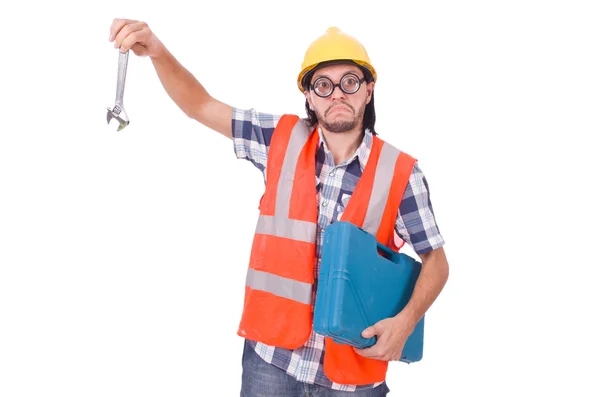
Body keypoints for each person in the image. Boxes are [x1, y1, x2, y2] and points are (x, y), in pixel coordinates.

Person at [108, 18, 450, 397]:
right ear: (309, 96)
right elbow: (200, 105)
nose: (337, 94)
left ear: (368, 90)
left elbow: (436, 262)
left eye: (349, 82)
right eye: (323, 84)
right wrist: (157, 50)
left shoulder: (402, 173)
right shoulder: (281, 141)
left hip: (352, 376)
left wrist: (406, 322)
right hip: (271, 361)